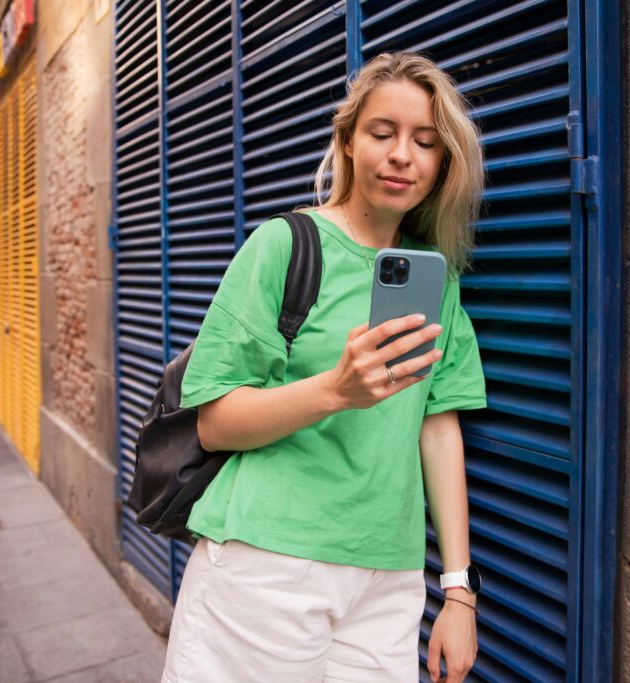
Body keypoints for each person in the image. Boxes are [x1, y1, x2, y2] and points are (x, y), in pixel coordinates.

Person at [161, 51, 487, 683]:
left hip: (387, 579)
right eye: (382, 133)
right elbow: (214, 423)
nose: (402, 155)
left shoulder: (434, 280)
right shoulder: (286, 244)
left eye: (425, 142)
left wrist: (459, 593)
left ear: (442, 163)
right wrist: (336, 390)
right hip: (267, 565)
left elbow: (437, 428)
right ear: (347, 140)